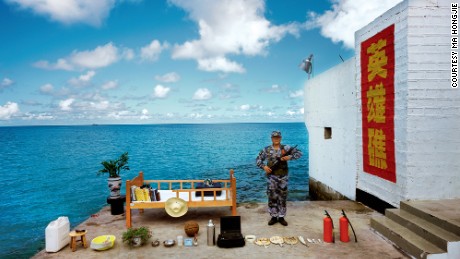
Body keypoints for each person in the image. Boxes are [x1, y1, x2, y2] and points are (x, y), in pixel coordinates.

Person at [256, 130, 302, 226]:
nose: (276, 139)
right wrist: (264, 167)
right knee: (272, 196)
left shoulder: (286, 148)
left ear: (280, 138)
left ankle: (281, 217)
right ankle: (273, 216)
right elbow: (258, 159)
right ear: (271, 138)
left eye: (278, 137)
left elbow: (299, 153)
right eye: (274, 137)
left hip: (283, 177)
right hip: (271, 177)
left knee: (282, 196)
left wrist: (290, 157)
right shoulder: (266, 149)